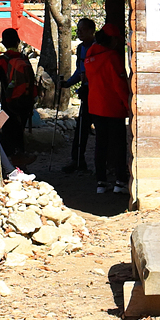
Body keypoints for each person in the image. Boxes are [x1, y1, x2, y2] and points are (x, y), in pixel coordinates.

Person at [85, 22, 130, 195]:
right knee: (118, 145)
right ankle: (120, 181)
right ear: (112, 39)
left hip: (95, 106)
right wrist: (128, 106)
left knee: (100, 144)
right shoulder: (112, 57)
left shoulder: (90, 55)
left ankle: (101, 182)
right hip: (113, 107)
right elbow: (119, 85)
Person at [0, 28, 38, 172]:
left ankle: (11, 165)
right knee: (19, 132)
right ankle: (21, 163)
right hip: (25, 102)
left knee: (8, 133)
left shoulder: (1, 60)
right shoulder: (24, 58)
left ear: (3, 43)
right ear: (18, 41)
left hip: (9, 103)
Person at [60, 18, 95, 173]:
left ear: (91, 31)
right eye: (78, 29)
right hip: (86, 91)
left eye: (82, 29)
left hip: (97, 92)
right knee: (81, 127)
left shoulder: (97, 48)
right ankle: (77, 160)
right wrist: (68, 83)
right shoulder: (81, 48)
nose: (79, 32)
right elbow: (79, 71)